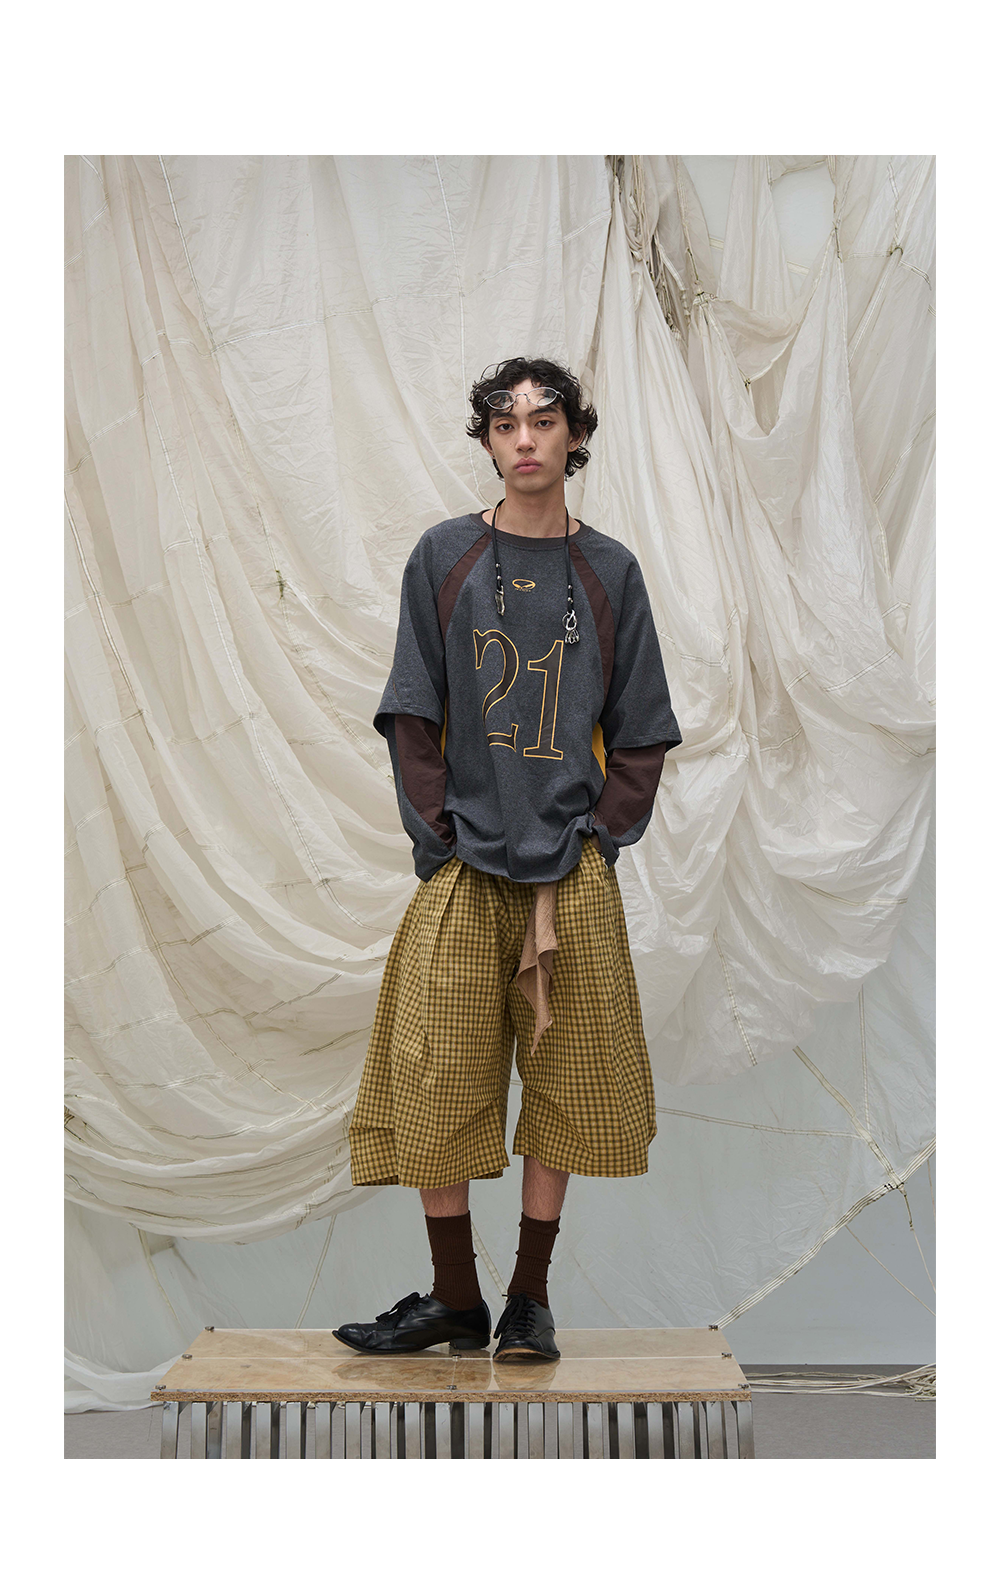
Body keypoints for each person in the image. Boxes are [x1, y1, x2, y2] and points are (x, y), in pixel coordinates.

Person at [335, 356, 682, 1363]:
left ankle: (528, 1297)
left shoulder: (609, 571)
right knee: (433, 1077)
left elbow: (644, 726)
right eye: (504, 423)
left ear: (575, 436)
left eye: (544, 420)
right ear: (487, 441)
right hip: (465, 870)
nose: (525, 438)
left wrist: (598, 837)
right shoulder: (445, 555)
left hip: (568, 874)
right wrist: (438, 837)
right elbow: (411, 708)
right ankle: (456, 1297)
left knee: (569, 1086)